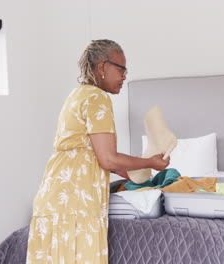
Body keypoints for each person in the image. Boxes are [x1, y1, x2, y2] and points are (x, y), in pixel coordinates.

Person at [26, 39, 169, 263]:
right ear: (102, 67)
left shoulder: (77, 95)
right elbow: (108, 158)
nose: (124, 76)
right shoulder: (98, 98)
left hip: (54, 198)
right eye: (121, 69)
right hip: (76, 202)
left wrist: (124, 172)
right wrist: (149, 162)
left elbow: (86, 154)